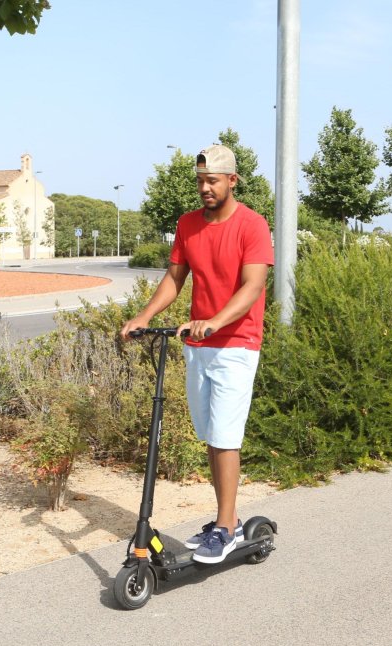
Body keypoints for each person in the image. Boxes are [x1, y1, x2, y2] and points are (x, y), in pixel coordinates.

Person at [120, 144, 274, 564]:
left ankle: (224, 530)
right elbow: (175, 278)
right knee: (211, 435)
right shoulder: (188, 224)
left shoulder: (252, 225)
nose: (205, 188)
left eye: (213, 181)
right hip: (198, 345)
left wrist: (216, 320)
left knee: (225, 437)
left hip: (237, 345)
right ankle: (230, 518)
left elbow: (252, 287)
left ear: (232, 181)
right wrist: (143, 316)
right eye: (200, 181)